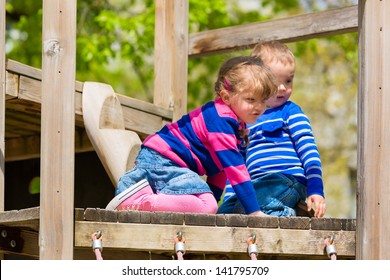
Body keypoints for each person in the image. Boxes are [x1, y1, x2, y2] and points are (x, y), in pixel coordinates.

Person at [105, 55, 278, 216]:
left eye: (263, 100)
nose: (259, 107)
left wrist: (214, 204)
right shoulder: (220, 121)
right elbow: (235, 170)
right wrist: (254, 211)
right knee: (206, 206)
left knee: (208, 206)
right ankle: (138, 202)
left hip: (168, 163)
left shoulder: (233, 123)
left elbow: (219, 170)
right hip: (163, 161)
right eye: (251, 100)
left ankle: (147, 198)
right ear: (226, 97)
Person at [218, 41, 326, 218]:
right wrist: (231, 197)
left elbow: (309, 151)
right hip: (254, 186)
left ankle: (288, 215)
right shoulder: (246, 119)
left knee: (253, 206)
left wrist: (315, 189)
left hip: (285, 180)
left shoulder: (290, 112)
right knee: (225, 214)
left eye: (289, 80)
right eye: (275, 81)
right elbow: (237, 165)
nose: (283, 87)